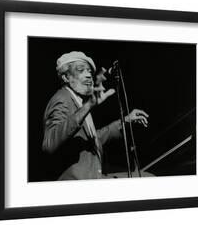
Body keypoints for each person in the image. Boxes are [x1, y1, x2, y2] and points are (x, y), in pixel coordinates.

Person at [42, 51, 149, 180]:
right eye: (81, 70)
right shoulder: (62, 99)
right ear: (66, 77)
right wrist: (89, 105)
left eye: (89, 72)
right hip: (76, 185)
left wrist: (125, 121)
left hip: (93, 178)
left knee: (145, 176)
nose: (88, 75)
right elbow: (49, 143)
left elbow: (93, 139)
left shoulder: (79, 101)